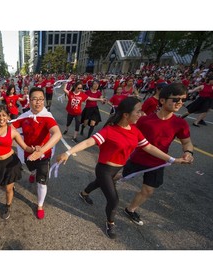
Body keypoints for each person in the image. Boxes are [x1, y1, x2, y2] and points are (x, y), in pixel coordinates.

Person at [57, 97, 191, 239]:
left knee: (99, 183)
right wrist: (68, 152)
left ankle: (83, 193)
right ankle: (110, 223)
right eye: (138, 112)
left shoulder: (135, 130)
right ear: (126, 115)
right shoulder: (109, 131)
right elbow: (88, 142)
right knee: (114, 200)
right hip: (104, 169)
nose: (142, 114)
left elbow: (149, 147)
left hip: (118, 169)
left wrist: (172, 159)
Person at [122, 83, 194, 226]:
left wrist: (188, 152)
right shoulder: (145, 120)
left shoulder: (180, 123)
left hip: (158, 162)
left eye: (183, 100)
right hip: (138, 158)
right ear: (162, 101)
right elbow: (127, 131)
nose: (179, 103)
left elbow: (187, 142)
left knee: (148, 190)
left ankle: (130, 209)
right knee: (117, 176)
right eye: (175, 99)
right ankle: (98, 184)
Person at [11, 87, 62, 220]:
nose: (38, 102)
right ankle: (33, 173)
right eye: (34, 99)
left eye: (40, 99)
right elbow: (9, 128)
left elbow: (57, 134)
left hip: (44, 155)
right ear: (29, 100)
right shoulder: (24, 116)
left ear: (44, 100)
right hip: (29, 153)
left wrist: (42, 151)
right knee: (32, 169)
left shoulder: (47, 117)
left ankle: (39, 205)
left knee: (42, 181)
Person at [0, 100, 35, 219]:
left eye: (4, 115)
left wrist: (35, 149)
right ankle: (10, 188)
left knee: (8, 189)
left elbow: (25, 147)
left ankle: (7, 205)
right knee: (2, 185)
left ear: (8, 117)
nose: (1, 118)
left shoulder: (13, 131)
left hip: (10, 163)